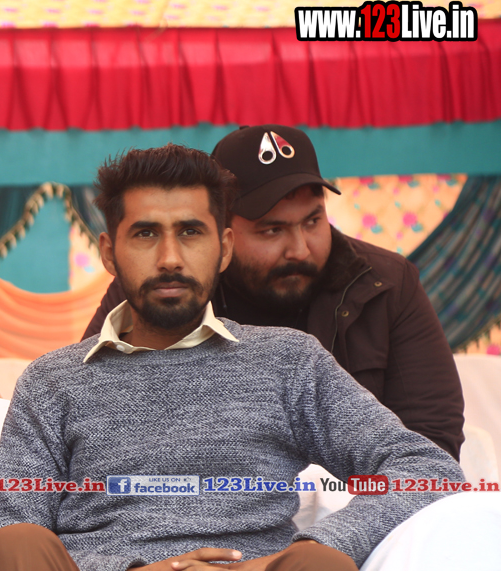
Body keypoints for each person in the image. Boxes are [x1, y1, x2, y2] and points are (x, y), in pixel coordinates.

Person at [0, 144, 464, 571]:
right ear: (108, 252)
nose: (170, 257)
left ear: (225, 247)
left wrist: (295, 556)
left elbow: (426, 468)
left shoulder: (287, 362)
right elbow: (9, 530)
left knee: (322, 570)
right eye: (145, 234)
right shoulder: (52, 382)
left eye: (191, 233)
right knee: (15, 547)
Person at [80, 125, 465, 458]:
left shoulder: (386, 282)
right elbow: (91, 418)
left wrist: (335, 514)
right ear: (223, 236)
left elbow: (432, 440)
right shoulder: (162, 286)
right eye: (272, 230)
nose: (300, 249)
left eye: (313, 221)